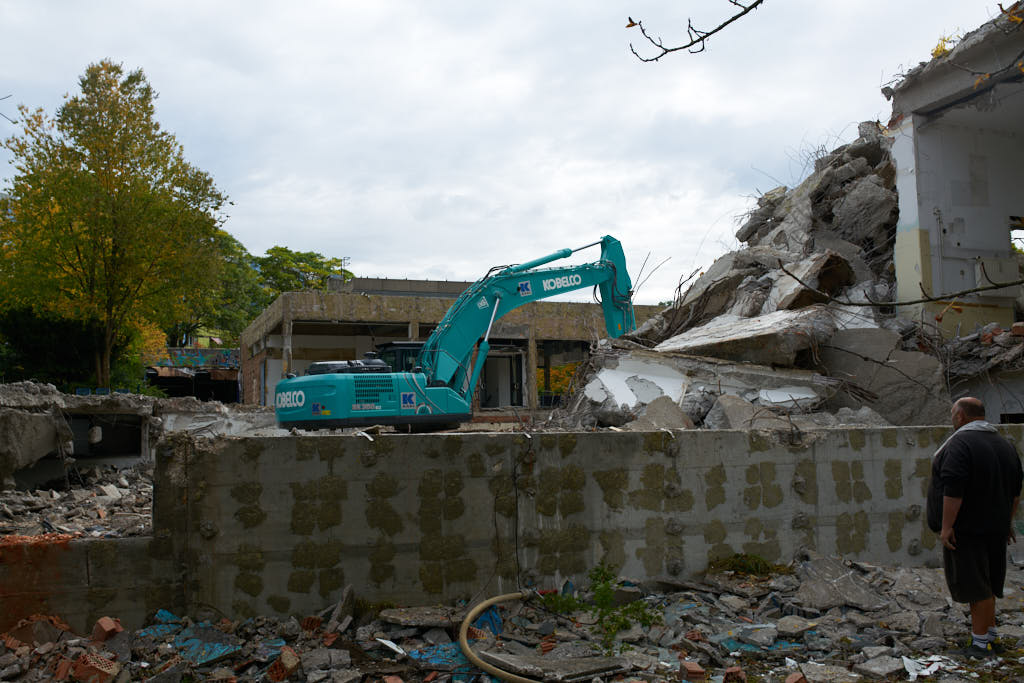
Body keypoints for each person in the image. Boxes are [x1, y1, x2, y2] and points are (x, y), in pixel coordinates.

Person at [926, 396, 1023, 658]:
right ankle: (990, 638)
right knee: (989, 584)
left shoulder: (960, 444)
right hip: (995, 528)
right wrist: (1007, 523)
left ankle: (980, 646)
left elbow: (953, 489)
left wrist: (947, 527)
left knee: (976, 586)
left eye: (952, 415)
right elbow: (1015, 493)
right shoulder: (1005, 445)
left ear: (960, 416)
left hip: (966, 530)